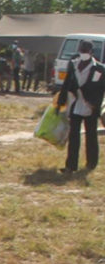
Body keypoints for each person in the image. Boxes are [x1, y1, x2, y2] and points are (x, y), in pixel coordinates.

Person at [56, 39, 105, 173]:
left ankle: (91, 164)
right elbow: (66, 84)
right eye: (81, 50)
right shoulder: (73, 65)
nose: (83, 53)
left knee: (91, 136)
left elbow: (102, 89)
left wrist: (96, 105)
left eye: (85, 51)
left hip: (91, 107)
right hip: (76, 104)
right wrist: (60, 102)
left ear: (91, 52)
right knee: (73, 136)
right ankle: (71, 166)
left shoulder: (99, 68)